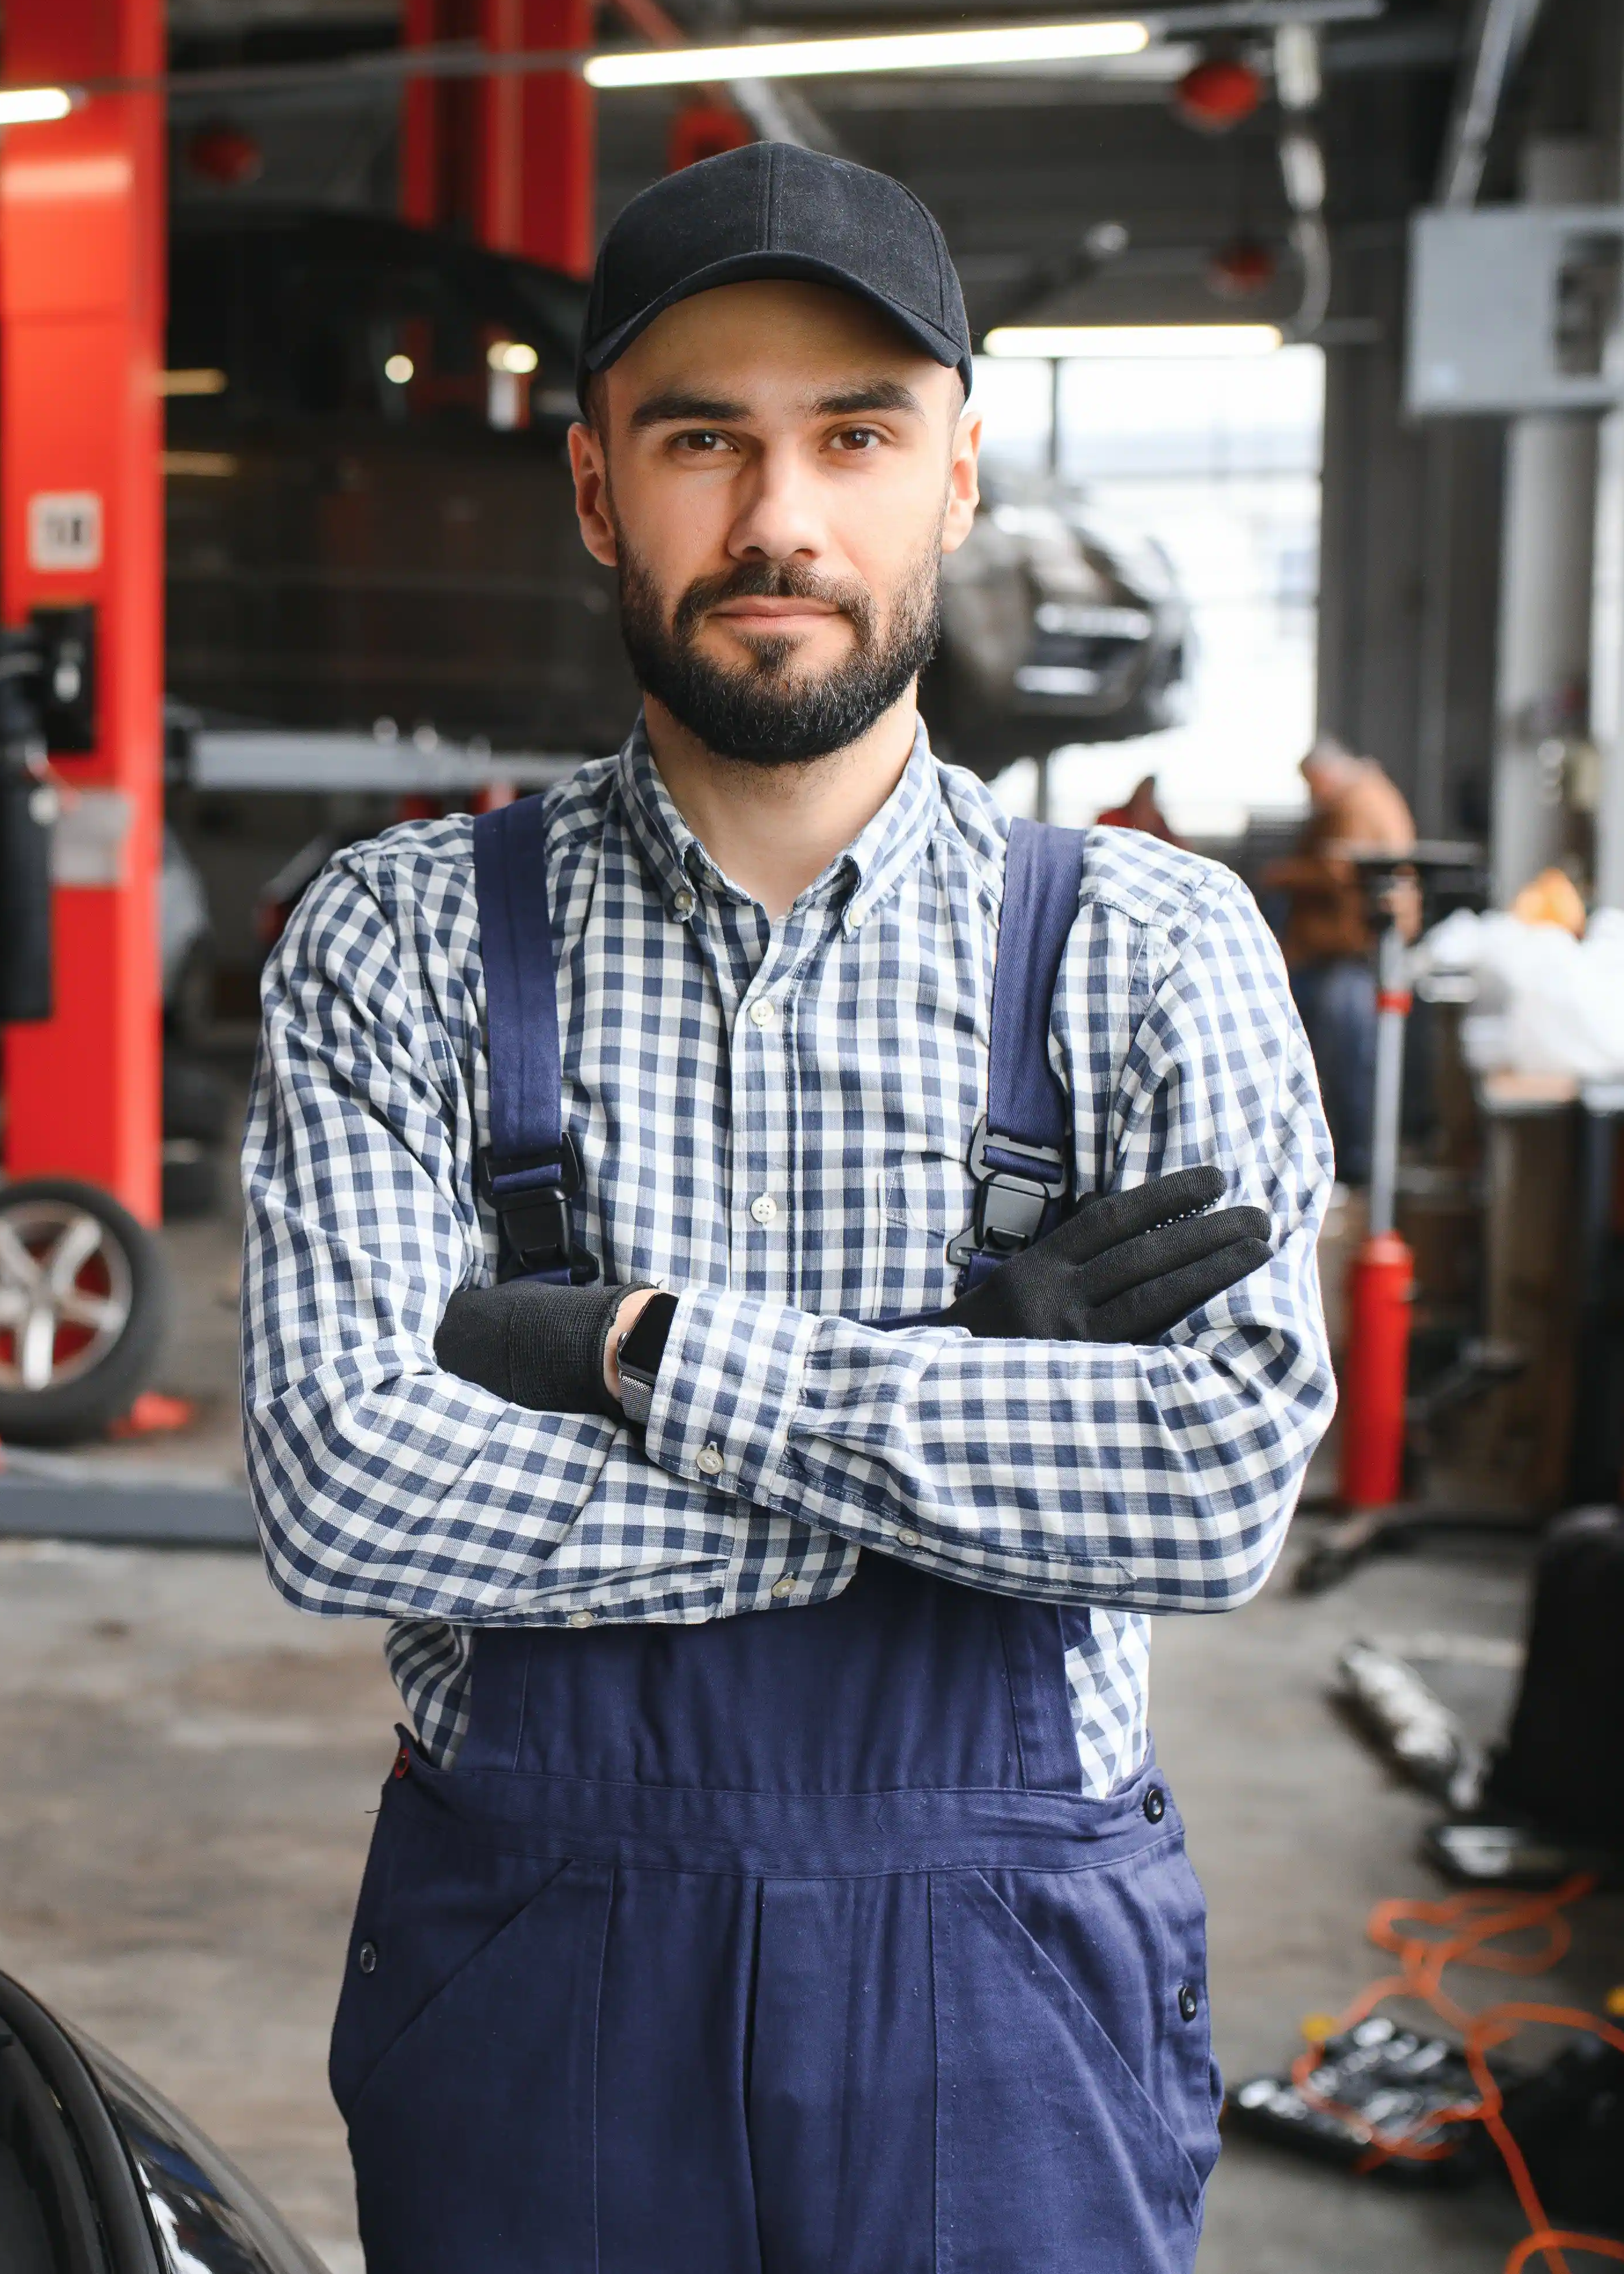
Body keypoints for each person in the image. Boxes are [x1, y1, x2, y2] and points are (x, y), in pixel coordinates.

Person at [238, 142, 1335, 2272]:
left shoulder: (1150, 949)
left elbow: (1207, 1493)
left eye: (851, 436)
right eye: (698, 440)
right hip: (538, 1971)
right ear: (590, 490)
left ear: (953, 476)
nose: (775, 520)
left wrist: (638, 1356)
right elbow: (344, 1482)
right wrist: (980, 1397)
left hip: (1003, 1986)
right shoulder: (393, 941)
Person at [1260, 737, 1418, 1185]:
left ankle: (1351, 1167)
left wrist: (1284, 874)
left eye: (1312, 785)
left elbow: (1341, 869)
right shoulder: (1366, 796)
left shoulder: (1357, 804)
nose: (1312, 797)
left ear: (1327, 775)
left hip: (1350, 956)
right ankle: (1350, 1163)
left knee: (1347, 1062)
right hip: (1347, 954)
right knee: (1348, 1059)